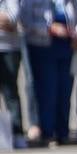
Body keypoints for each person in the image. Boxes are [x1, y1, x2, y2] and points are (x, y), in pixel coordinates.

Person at [20, 0, 77, 145]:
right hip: (42, 48)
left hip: (67, 49)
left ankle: (62, 132)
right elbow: (25, 22)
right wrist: (48, 28)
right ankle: (47, 132)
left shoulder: (72, 1)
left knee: (64, 91)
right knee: (47, 91)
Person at [0, 0, 25, 146]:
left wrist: (9, 22)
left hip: (9, 50)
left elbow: (12, 18)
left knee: (10, 94)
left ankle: (17, 134)